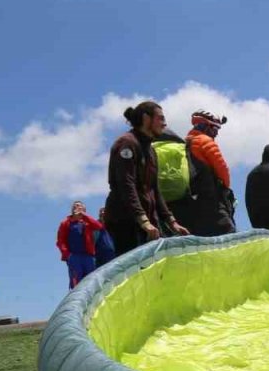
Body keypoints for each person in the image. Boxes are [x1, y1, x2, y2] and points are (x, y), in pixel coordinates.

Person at [104, 101, 189, 256]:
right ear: (146, 118)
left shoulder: (151, 151)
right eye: (160, 118)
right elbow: (126, 184)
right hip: (126, 223)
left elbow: (155, 190)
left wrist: (172, 221)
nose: (165, 123)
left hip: (149, 225)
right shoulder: (127, 144)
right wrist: (143, 220)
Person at [184, 110, 235, 236]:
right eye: (215, 128)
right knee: (228, 235)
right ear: (206, 126)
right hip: (211, 200)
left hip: (191, 200)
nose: (217, 133)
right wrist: (226, 188)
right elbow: (223, 170)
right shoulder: (205, 141)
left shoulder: (185, 142)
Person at [56, 200, 104, 288]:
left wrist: (84, 215)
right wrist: (68, 255)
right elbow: (60, 241)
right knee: (76, 284)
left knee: (92, 282)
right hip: (74, 257)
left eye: (79, 206)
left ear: (84, 209)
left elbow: (99, 226)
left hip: (89, 257)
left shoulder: (87, 221)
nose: (76, 207)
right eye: (74, 206)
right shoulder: (65, 223)